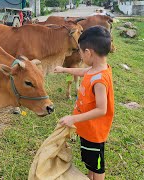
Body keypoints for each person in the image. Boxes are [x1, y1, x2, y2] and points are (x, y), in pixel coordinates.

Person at [54, 26, 115, 180]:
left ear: (88, 53)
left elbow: (102, 109)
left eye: (80, 52)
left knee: (97, 166)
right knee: (90, 163)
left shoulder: (100, 80)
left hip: (94, 133)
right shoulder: (95, 69)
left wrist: (73, 119)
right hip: (87, 128)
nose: (79, 55)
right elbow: (83, 72)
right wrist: (64, 70)